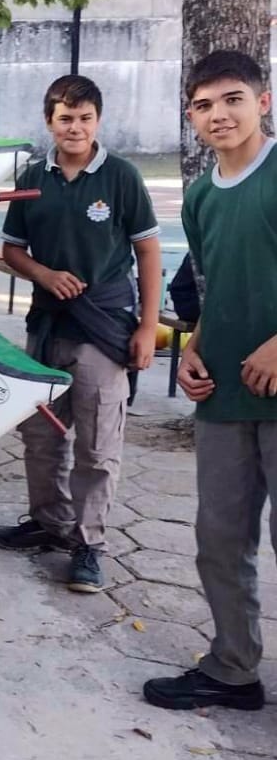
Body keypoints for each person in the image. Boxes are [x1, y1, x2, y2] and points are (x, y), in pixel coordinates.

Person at [0, 74, 161, 593]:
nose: (76, 127)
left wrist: (149, 328)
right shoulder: (31, 177)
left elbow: (148, 250)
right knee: (40, 433)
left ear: (98, 121)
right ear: (49, 121)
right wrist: (43, 275)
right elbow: (12, 248)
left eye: (85, 118)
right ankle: (51, 523)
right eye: (65, 117)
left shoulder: (121, 177)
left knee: (96, 443)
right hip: (47, 325)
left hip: (104, 328)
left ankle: (88, 545)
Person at [144, 49, 276, 712]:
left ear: (263, 100)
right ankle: (231, 669)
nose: (217, 114)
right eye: (202, 105)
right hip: (222, 396)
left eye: (231, 99)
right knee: (219, 540)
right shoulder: (197, 196)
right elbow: (211, 288)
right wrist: (190, 353)